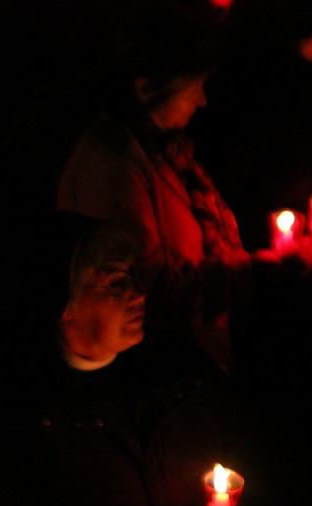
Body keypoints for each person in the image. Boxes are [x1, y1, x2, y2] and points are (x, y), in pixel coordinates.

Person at [0, 213, 248, 506]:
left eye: (136, 277)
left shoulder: (183, 375)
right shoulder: (20, 416)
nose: (139, 294)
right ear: (62, 301)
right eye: (117, 284)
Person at [56, 4, 249, 371]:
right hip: (167, 368)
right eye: (195, 86)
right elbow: (146, 284)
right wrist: (252, 275)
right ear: (146, 88)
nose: (203, 100)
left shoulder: (165, 153)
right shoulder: (113, 162)